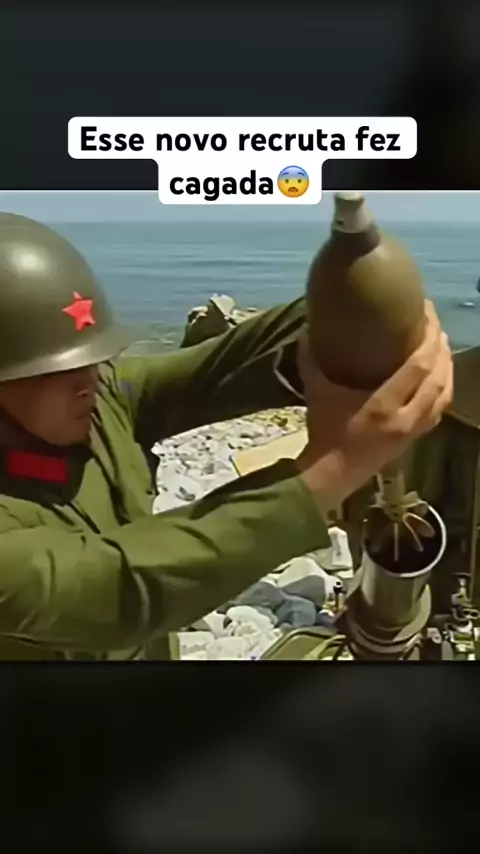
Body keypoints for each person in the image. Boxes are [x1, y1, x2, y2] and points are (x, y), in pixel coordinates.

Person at [0, 213, 452, 660]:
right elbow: (122, 590)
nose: (88, 383)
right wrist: (329, 472)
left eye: (92, 359)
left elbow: (226, 367)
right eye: (53, 371)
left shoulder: (101, 401)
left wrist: (362, 316)